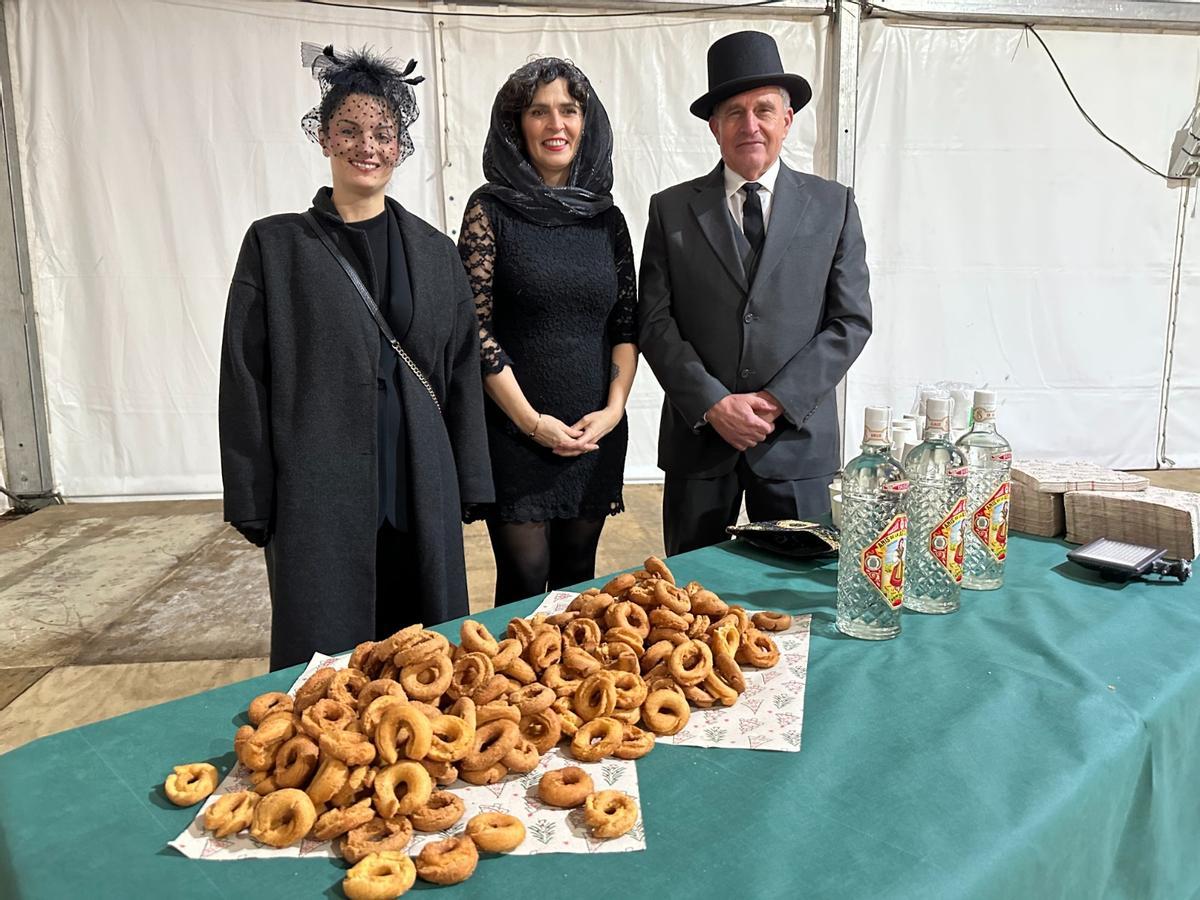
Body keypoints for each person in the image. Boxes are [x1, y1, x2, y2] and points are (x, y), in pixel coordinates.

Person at [220, 44, 492, 670]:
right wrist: (251, 495)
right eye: (350, 129)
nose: (367, 145)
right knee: (325, 668)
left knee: (423, 660)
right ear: (324, 137)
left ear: (400, 146)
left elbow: (459, 369)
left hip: (419, 484)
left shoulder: (433, 249)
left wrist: (469, 481)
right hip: (319, 491)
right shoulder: (275, 245)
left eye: (384, 133)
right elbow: (244, 377)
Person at [638, 30, 873, 556]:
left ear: (787, 120)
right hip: (700, 445)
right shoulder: (671, 210)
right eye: (734, 112)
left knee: (795, 596)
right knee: (690, 604)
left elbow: (850, 321)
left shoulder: (833, 206)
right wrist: (713, 403)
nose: (750, 125)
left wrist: (776, 401)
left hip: (795, 444)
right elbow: (654, 320)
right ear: (713, 126)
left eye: (764, 110)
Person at [457, 58, 638, 605]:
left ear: (587, 121)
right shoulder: (488, 210)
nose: (555, 124)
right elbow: (476, 331)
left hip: (594, 432)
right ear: (518, 125)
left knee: (578, 584)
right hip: (517, 434)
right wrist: (533, 424)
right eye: (539, 111)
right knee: (523, 587)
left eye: (568, 109)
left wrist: (613, 410)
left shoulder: (607, 218)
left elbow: (626, 323)